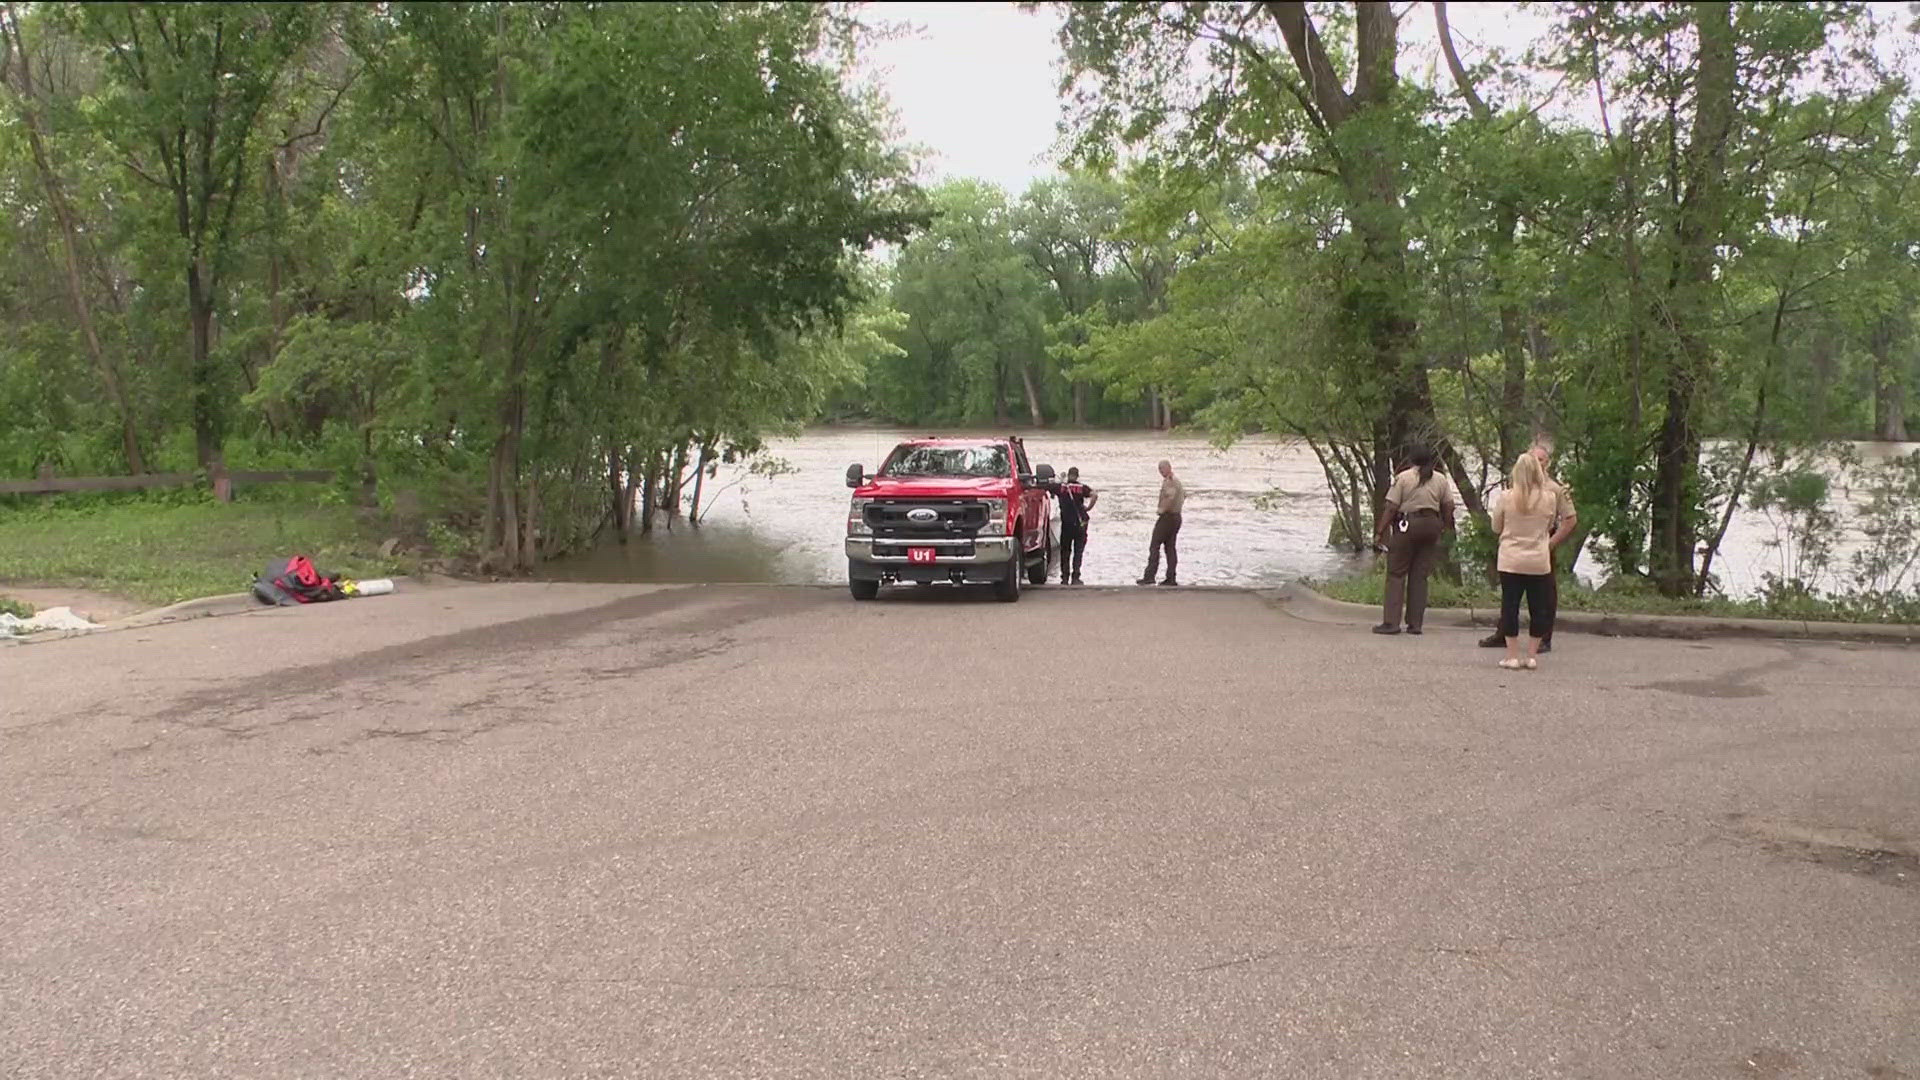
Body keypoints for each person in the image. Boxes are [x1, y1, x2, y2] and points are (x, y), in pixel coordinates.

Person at [1480, 443, 1576, 652]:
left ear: (1548, 463)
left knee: (1543, 596)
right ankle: (1502, 634)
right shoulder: (1515, 489)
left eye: (1541, 460)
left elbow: (1569, 519)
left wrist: (1551, 543)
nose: (1537, 464)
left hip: (1541, 544)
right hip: (1518, 545)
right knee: (1510, 596)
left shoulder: (1555, 490)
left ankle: (1544, 638)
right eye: (1533, 459)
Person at [1372, 446, 1455, 635]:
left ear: (1411, 459)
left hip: (1408, 525)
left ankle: (1391, 623)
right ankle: (1415, 624)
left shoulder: (1404, 478)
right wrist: (1443, 526)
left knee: (1396, 573)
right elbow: (1449, 506)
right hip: (1431, 526)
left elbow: (1391, 507)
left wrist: (1380, 531)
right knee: (1420, 576)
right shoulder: (1441, 479)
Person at [1138, 459, 1185, 586]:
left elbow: (1170, 498)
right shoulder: (1176, 481)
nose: (1161, 472)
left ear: (1169, 467)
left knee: (1155, 545)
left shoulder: (1171, 482)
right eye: (1159, 470)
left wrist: (1162, 510)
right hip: (1176, 517)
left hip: (1168, 517)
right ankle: (1171, 577)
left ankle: (1150, 576)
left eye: (1162, 469)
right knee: (1170, 548)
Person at [1051, 467, 1098, 585]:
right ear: (1077, 476)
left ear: (1068, 475)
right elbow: (1094, 495)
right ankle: (1076, 576)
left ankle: (1064, 577)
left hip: (1066, 525)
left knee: (1065, 551)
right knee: (1078, 551)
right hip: (1080, 524)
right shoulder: (1082, 488)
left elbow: (1045, 487)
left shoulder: (1061, 487)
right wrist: (1088, 508)